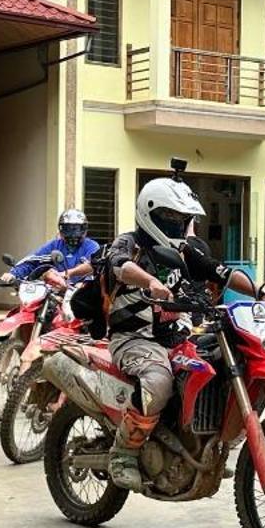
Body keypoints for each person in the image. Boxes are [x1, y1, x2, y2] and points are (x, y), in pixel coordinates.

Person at [98, 177, 210, 490]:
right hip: (133, 339)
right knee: (159, 382)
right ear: (151, 214)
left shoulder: (186, 253)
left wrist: (257, 292)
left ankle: (199, 446)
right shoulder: (130, 243)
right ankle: (124, 452)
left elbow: (212, 276)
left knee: (216, 371)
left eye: (182, 219)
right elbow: (118, 265)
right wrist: (150, 282)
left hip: (177, 338)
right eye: (170, 217)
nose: (177, 225)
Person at [0, 208, 100, 290]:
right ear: (61, 229)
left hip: (83, 294)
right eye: (68, 229)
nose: (73, 234)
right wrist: (12, 274)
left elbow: (93, 265)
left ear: (84, 229)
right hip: (55, 293)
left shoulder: (92, 246)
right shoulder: (54, 245)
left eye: (77, 229)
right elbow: (32, 261)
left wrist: (68, 274)